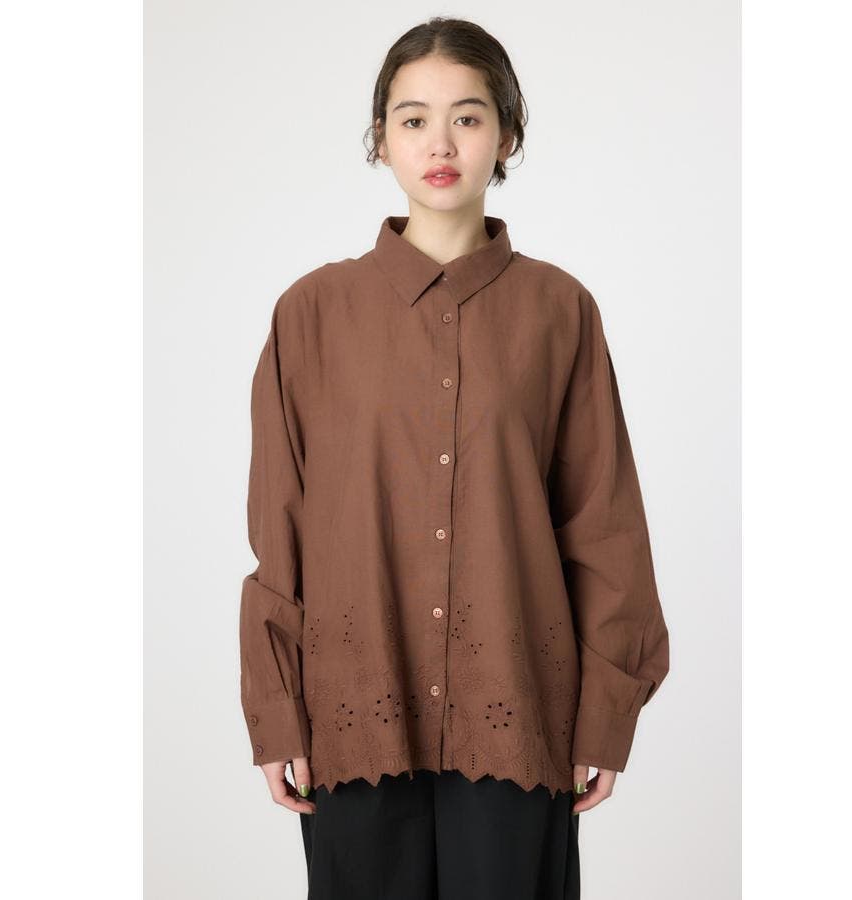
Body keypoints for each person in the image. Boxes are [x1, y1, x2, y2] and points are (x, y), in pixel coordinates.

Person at [238, 16, 670, 900]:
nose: (440, 143)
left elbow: (603, 523)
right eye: (413, 119)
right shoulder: (310, 315)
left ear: (506, 135)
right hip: (354, 716)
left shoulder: (560, 311)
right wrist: (276, 707)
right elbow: (279, 526)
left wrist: (606, 712)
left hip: (519, 712)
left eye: (468, 117)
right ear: (381, 139)